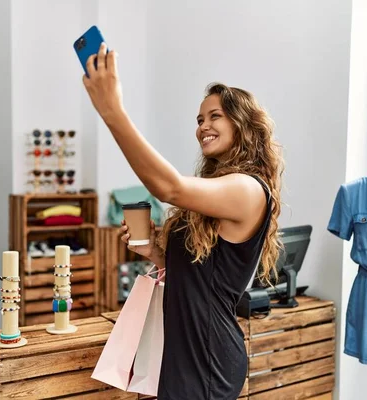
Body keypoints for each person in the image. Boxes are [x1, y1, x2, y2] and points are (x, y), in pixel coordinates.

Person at [83, 43, 284, 400]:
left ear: (243, 123)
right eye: (199, 119)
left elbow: (169, 187)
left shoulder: (248, 189)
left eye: (215, 116)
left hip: (209, 361)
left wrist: (112, 110)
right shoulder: (219, 190)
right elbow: (198, 276)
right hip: (184, 355)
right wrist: (155, 253)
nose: (203, 126)